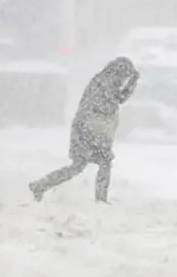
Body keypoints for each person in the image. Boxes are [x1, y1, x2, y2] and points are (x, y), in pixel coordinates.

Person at [29, 56, 140, 203]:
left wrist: (132, 83)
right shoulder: (102, 83)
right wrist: (131, 84)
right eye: (125, 76)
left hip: (93, 131)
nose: (123, 80)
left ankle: (41, 185)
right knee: (93, 164)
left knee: (84, 166)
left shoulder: (105, 82)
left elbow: (119, 98)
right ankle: (99, 199)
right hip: (88, 131)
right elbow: (113, 102)